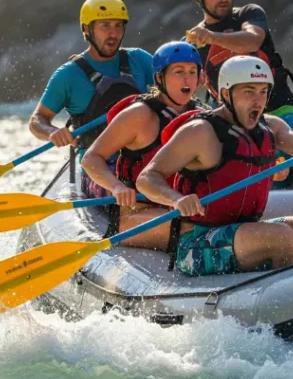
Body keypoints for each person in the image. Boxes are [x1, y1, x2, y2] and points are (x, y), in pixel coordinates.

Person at [137, 56, 293, 276]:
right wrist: (176, 199)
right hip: (197, 243)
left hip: (245, 233)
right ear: (226, 94)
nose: (258, 101)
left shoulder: (271, 127)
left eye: (263, 92)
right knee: (280, 236)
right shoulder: (200, 132)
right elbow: (147, 178)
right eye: (249, 91)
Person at [183, 0, 293, 189]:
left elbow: (252, 40)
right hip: (234, 123)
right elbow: (185, 87)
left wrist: (211, 37)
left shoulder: (249, 14)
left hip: (279, 105)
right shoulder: (192, 43)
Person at [81, 41, 205, 248]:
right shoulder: (139, 115)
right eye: (179, 71)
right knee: (195, 226)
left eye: (193, 72)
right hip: (135, 216)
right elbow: (91, 158)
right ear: (159, 77)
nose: (187, 78)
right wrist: (117, 187)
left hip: (179, 208)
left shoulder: (201, 116)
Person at [28, 0, 155, 196]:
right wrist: (52, 131)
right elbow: (36, 120)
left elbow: (172, 87)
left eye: (118, 26)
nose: (113, 33)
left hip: (145, 161)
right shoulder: (68, 75)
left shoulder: (139, 59)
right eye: (105, 26)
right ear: (87, 30)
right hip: (100, 169)